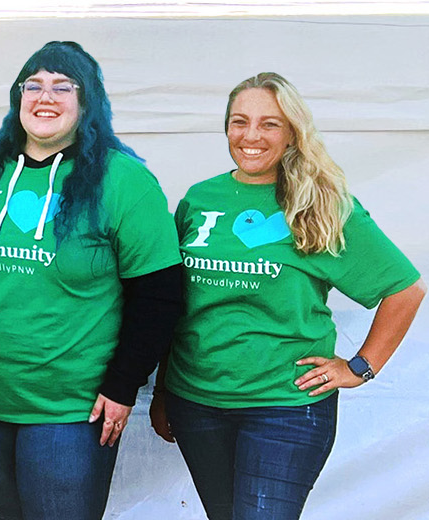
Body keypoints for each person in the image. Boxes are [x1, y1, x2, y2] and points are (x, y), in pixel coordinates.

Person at [0, 41, 184, 520]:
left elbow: (159, 295)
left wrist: (124, 385)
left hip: (70, 412)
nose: (46, 97)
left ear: (88, 102)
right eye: (34, 85)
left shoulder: (123, 181)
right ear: (17, 97)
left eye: (64, 87)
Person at [152, 72, 425, 520]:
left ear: (293, 132)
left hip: (286, 407)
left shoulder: (323, 203)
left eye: (269, 124)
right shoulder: (200, 200)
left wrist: (361, 366)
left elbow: (405, 288)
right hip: (196, 401)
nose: (251, 135)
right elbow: (178, 304)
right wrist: (164, 388)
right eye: (240, 122)